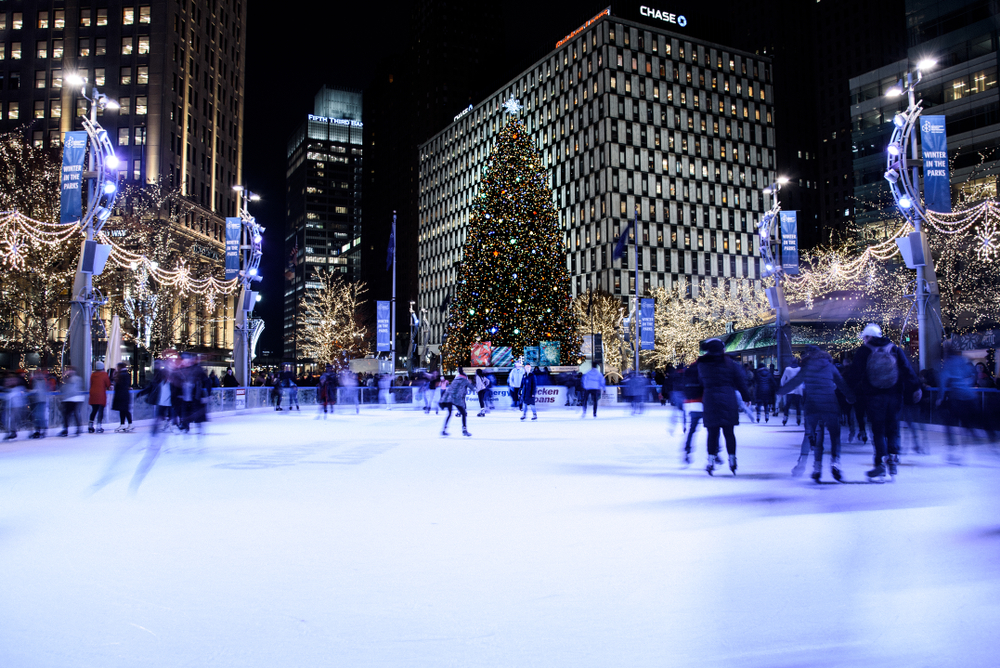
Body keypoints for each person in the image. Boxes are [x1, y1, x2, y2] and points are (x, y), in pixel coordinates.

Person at [844, 323, 921, 481]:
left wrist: (848, 391)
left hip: (873, 396)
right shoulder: (894, 349)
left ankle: (879, 463)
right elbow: (907, 369)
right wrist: (916, 388)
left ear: (870, 337)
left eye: (865, 337)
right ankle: (893, 459)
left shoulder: (864, 351)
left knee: (878, 430)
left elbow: (854, 373)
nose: (864, 340)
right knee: (893, 427)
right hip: (894, 395)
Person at [779, 346, 855, 482]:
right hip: (830, 405)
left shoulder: (807, 367)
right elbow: (841, 383)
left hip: (812, 406)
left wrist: (781, 391)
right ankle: (835, 463)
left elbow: (795, 381)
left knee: (815, 437)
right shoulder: (830, 367)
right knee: (834, 435)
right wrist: (850, 397)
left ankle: (817, 467)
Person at [697, 339, 750, 475]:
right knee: (729, 433)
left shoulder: (702, 364)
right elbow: (740, 381)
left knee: (712, 433)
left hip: (710, 400)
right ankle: (732, 459)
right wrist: (746, 397)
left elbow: (699, 382)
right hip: (728, 399)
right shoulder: (730, 363)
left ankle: (711, 460)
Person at [938, 342, 977, 464]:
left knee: (949, 422)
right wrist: (968, 384)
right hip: (970, 397)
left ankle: (952, 451)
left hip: (958, 398)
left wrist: (940, 397)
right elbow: (970, 372)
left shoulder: (948, 364)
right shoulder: (962, 360)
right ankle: (963, 453)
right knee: (965, 426)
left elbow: (943, 381)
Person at [682, 359, 704, 465]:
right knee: (712, 429)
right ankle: (716, 451)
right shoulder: (703, 371)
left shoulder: (688, 371)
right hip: (703, 402)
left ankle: (687, 448)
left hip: (691, 402)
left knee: (692, 429)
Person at [440, 371, 472, 437]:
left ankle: (444, 430)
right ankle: (464, 430)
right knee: (463, 413)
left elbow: (448, 391)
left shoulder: (455, 382)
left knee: (449, 414)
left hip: (449, 399)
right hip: (455, 399)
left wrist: (442, 400)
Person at [58, 366, 85, 437]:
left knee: (68, 415)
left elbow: (68, 389)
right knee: (72, 414)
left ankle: (67, 429)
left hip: (72, 399)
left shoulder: (73, 379)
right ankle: (76, 429)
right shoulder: (74, 379)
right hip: (72, 399)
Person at [88, 361, 112, 433]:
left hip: (93, 394)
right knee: (100, 410)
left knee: (94, 410)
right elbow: (108, 384)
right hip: (100, 394)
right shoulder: (104, 374)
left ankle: (90, 425)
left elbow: (91, 383)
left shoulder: (93, 374)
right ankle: (99, 426)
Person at [779, 358, 803, 426]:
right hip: (798, 388)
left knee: (788, 404)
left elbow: (783, 379)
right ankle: (798, 418)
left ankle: (785, 418)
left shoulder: (787, 369)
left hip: (790, 389)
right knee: (798, 405)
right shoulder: (800, 369)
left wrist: (783, 387)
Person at [28, 370, 50, 439]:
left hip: (39, 400)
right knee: (38, 416)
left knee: (39, 415)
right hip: (38, 400)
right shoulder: (40, 380)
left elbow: (36, 389)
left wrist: (30, 391)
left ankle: (41, 430)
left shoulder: (39, 380)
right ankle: (39, 430)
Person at [112, 362, 134, 432]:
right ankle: (125, 424)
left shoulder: (121, 375)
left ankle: (127, 424)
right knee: (124, 410)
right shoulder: (126, 374)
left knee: (124, 410)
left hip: (121, 395)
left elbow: (119, 386)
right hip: (125, 395)